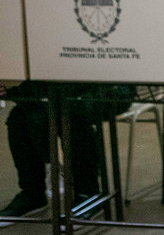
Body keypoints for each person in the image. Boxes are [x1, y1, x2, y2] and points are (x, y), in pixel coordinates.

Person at [1, 82, 132, 225]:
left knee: (70, 112)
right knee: (19, 117)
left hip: (107, 87)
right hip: (56, 91)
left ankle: (87, 193)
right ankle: (33, 193)